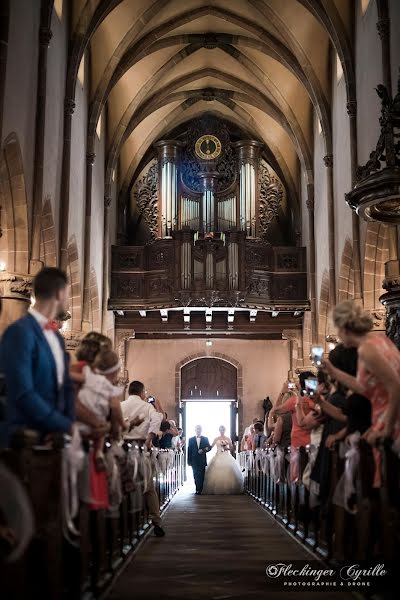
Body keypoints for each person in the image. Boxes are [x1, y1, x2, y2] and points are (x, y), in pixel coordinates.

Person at [322, 300, 400, 486]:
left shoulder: (367, 349)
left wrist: (386, 428)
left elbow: (395, 386)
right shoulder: (380, 341)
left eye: (338, 330)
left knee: (390, 483)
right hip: (384, 414)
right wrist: (333, 371)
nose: (339, 337)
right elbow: (366, 389)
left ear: (345, 328)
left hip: (390, 417)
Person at [0, 268, 74, 447]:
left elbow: (65, 387)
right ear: (59, 293)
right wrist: (62, 424)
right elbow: (22, 391)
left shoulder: (56, 337)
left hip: (55, 441)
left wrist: (65, 427)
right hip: (23, 439)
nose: (68, 300)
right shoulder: (19, 332)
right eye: (68, 294)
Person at [121, 381, 165, 536]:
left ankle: (125, 524)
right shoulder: (147, 407)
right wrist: (149, 438)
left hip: (122, 451)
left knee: (125, 487)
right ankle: (156, 522)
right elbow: (158, 419)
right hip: (140, 449)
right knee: (148, 488)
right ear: (141, 392)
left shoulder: (121, 406)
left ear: (129, 392)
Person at [202, 425, 244, 495]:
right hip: (218, 455)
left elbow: (232, 448)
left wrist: (226, 448)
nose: (222, 431)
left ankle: (229, 488)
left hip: (226, 455)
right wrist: (204, 449)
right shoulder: (216, 438)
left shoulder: (228, 438)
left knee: (228, 470)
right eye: (221, 430)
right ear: (219, 430)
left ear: (225, 430)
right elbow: (210, 447)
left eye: (223, 430)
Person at [187, 425, 211, 494]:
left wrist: (203, 450)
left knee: (202, 475)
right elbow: (189, 451)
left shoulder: (205, 438)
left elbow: (209, 447)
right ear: (195, 430)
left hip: (202, 459)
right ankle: (197, 488)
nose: (198, 430)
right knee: (195, 474)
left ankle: (200, 489)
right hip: (194, 460)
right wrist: (189, 461)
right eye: (197, 429)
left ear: (201, 430)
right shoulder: (191, 439)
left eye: (199, 429)